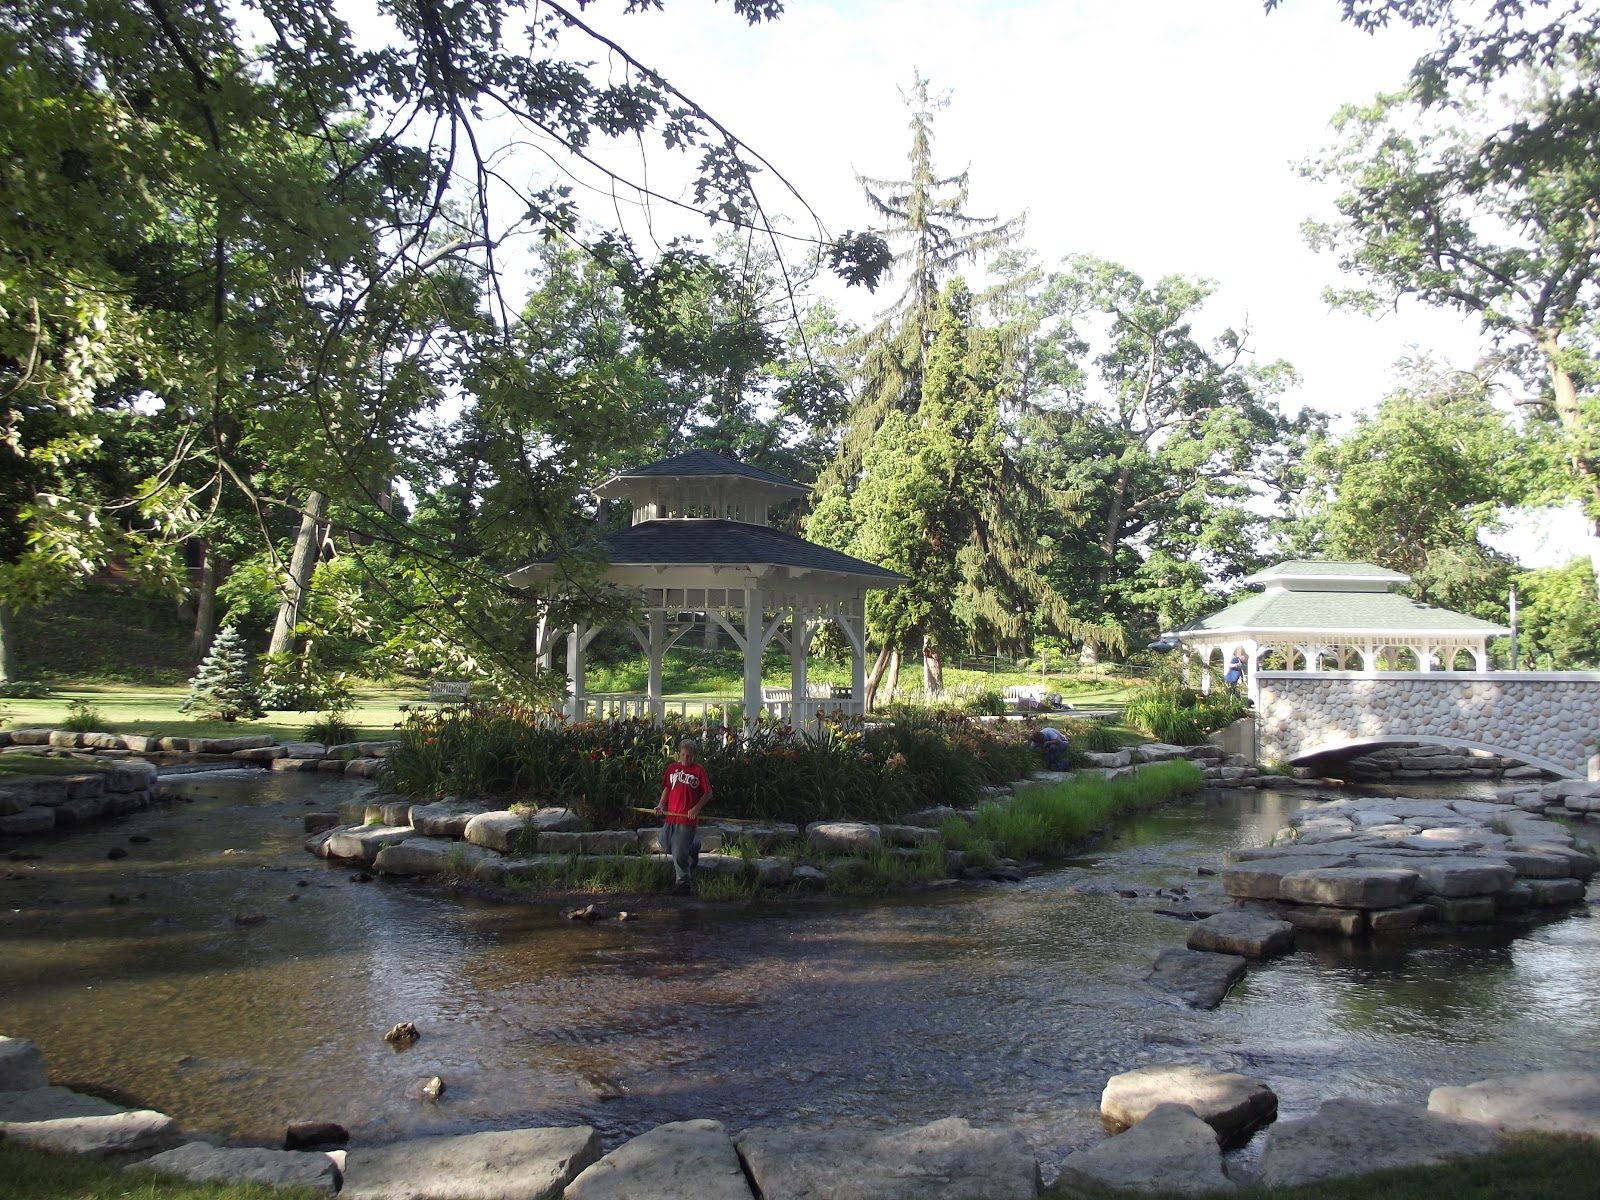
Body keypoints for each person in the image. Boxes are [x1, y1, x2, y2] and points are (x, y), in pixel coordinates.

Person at [655, 738, 712, 896]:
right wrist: (661, 805)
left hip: (687, 819)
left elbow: (708, 793)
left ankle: (683, 884)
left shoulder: (698, 771)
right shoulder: (672, 768)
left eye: (689, 756)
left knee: (679, 853)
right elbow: (667, 788)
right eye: (683, 755)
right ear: (678, 754)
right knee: (665, 845)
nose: (686, 759)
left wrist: (696, 808)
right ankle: (694, 846)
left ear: (694, 756)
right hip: (671, 817)